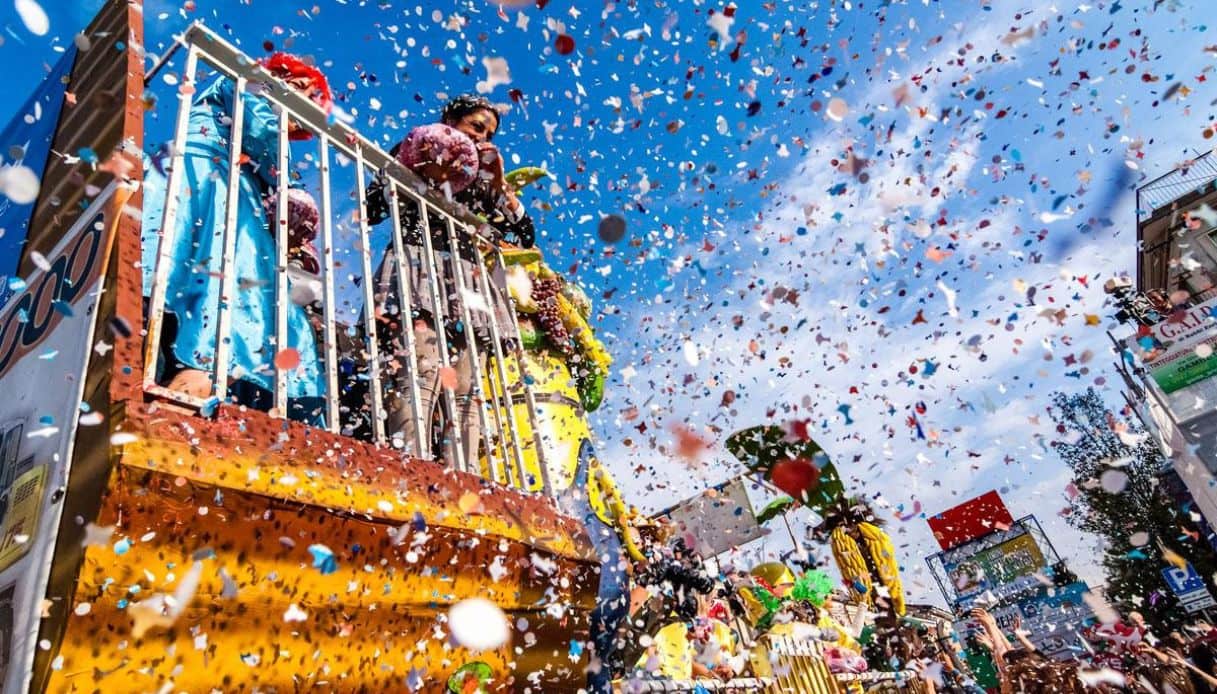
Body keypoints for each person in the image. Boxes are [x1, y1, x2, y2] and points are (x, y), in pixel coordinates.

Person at [142, 53, 330, 424]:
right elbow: (264, 136)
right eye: (299, 87)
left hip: (225, 188)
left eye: (309, 98)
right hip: (205, 179)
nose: (300, 98)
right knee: (221, 283)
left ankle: (203, 374)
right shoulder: (250, 85)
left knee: (238, 290)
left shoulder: (260, 110)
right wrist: (287, 184)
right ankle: (192, 370)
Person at [365, 95, 533, 464]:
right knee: (419, 370)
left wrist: (498, 184)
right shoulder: (417, 146)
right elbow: (372, 207)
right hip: (416, 267)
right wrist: (421, 172)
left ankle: (465, 476)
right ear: (449, 119)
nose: (481, 138)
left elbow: (524, 235)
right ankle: (409, 465)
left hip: (467, 280)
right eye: (475, 127)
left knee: (467, 387)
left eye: (488, 133)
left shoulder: (486, 178)